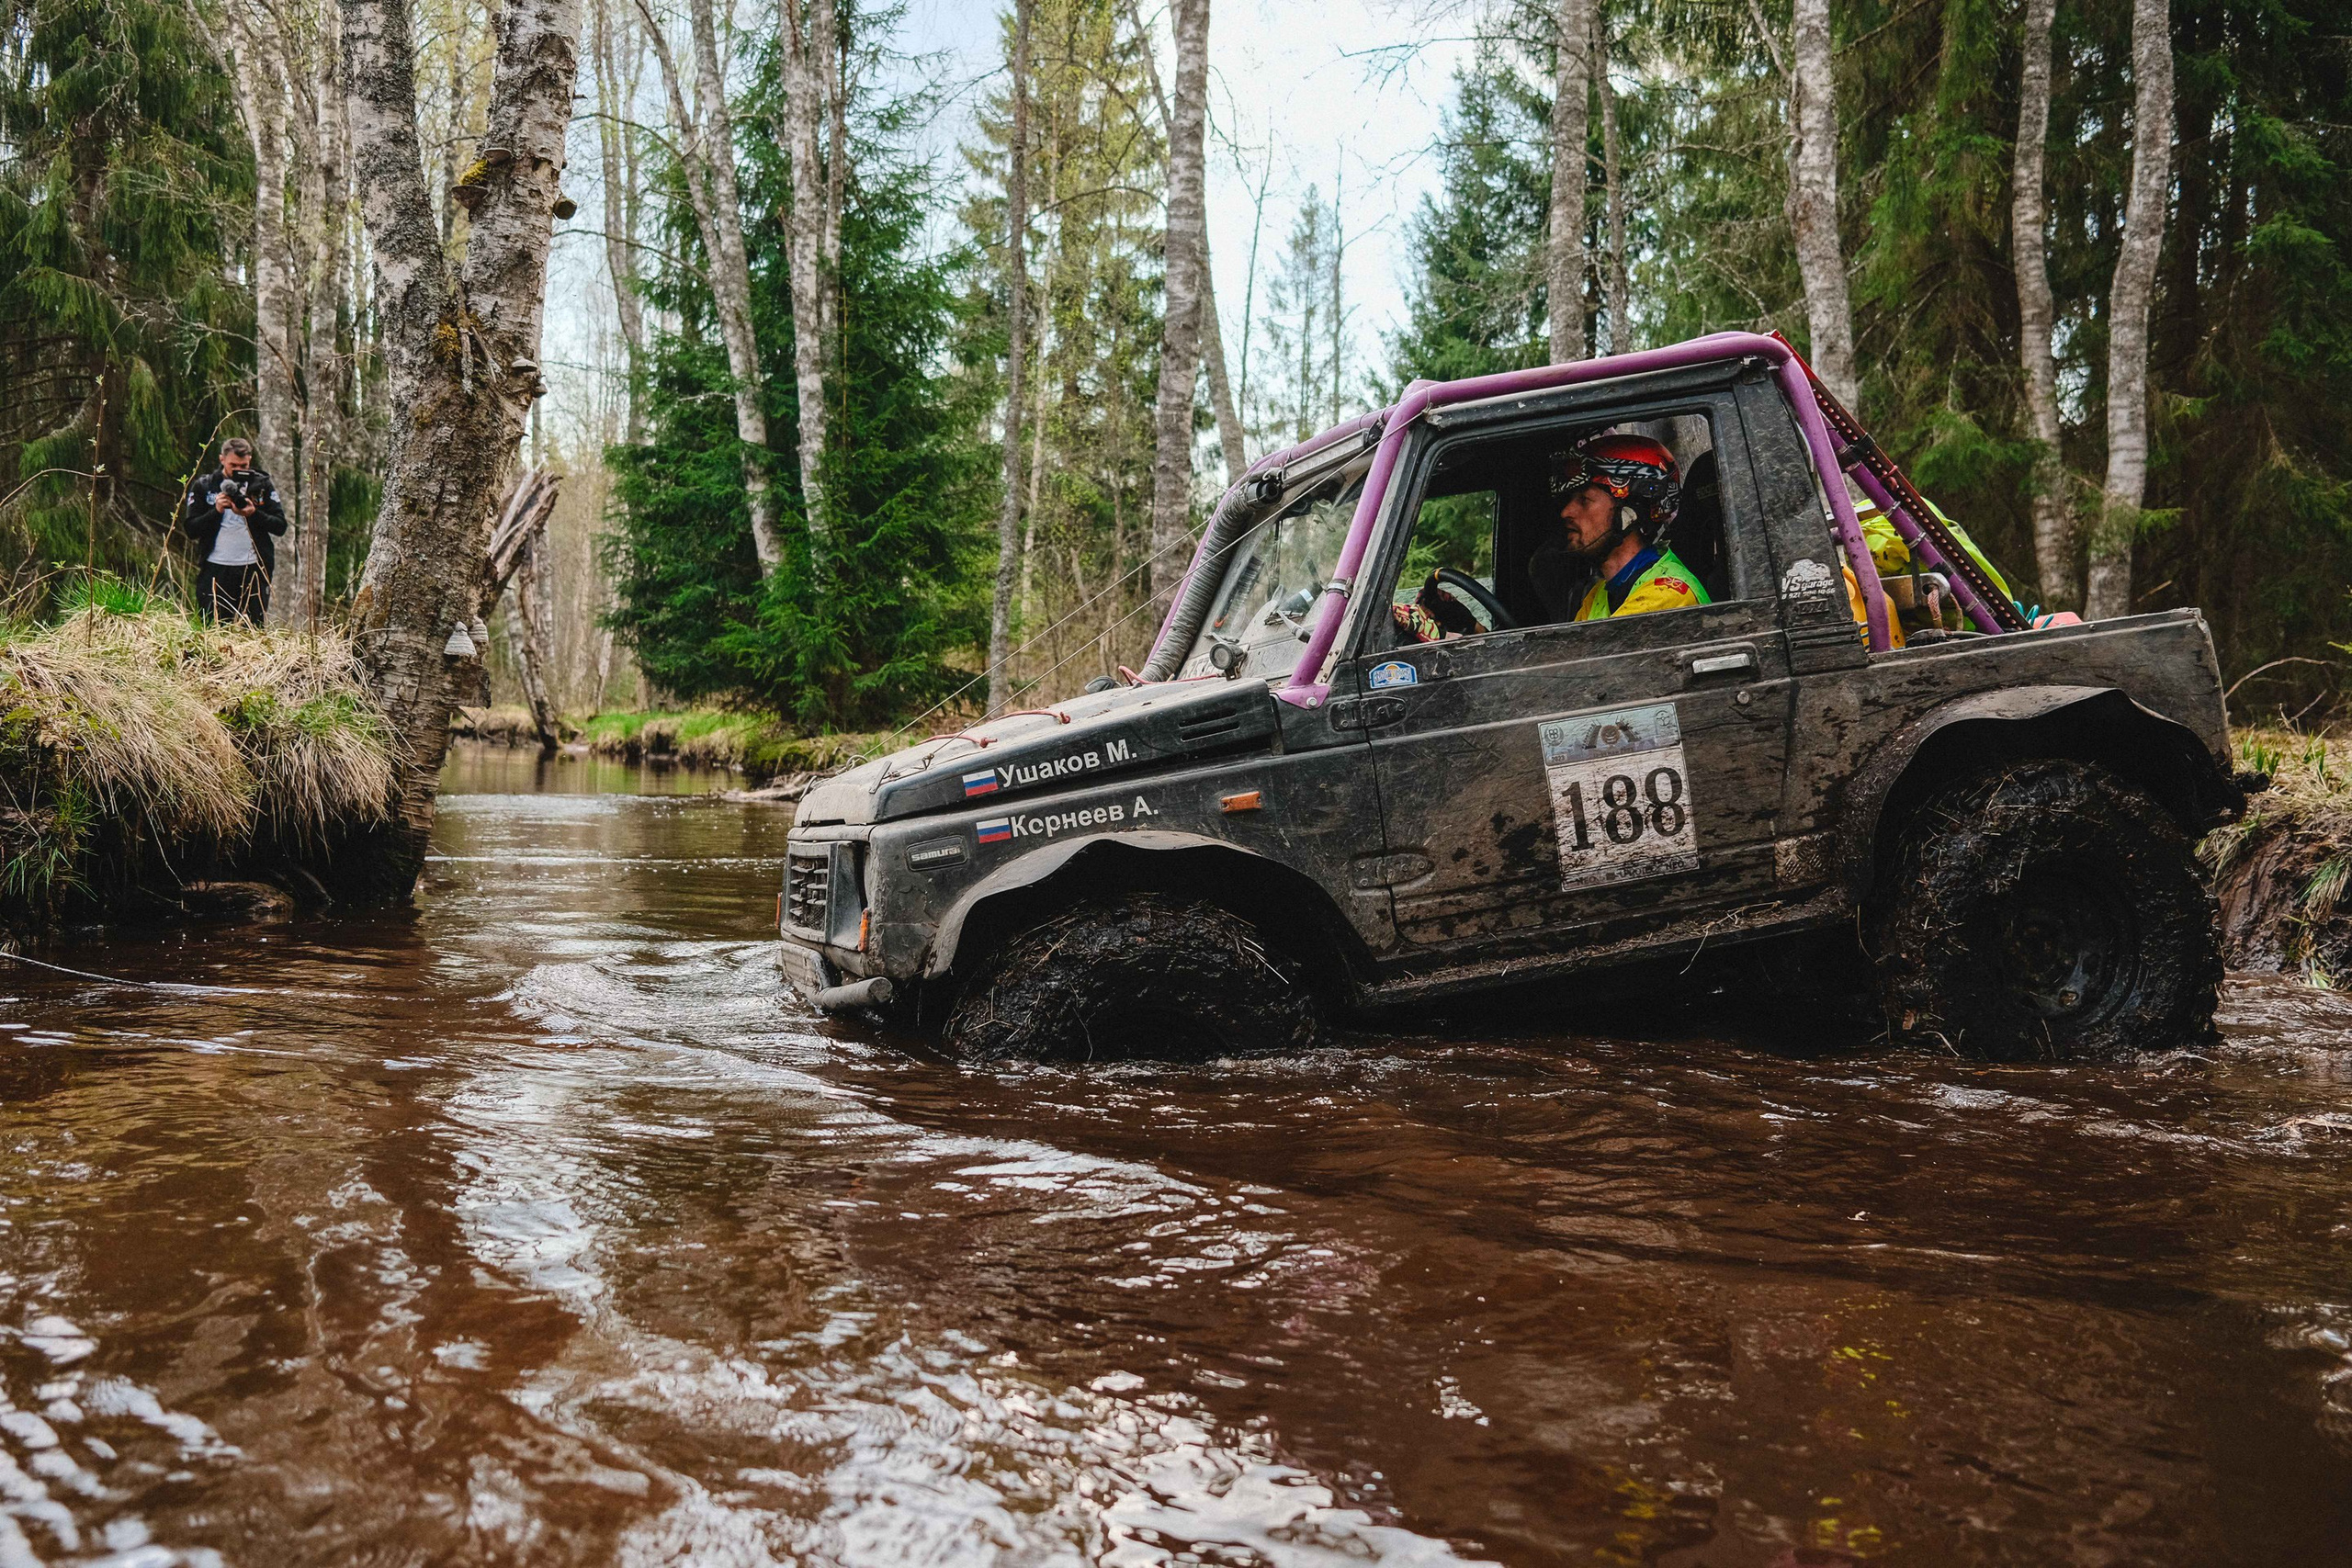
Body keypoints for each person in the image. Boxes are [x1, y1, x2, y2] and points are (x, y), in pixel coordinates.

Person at [1551, 434, 1710, 621]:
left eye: (1584, 500)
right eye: (1571, 499)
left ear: (1630, 512)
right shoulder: (1598, 595)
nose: (1566, 512)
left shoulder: (1667, 594)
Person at [183, 438, 287, 625]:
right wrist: (216, 511)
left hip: (253, 568)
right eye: (233, 465)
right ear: (222, 459)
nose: (238, 470)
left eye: (243, 466)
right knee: (213, 627)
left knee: (253, 627)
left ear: (250, 460)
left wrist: (253, 513)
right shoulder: (205, 486)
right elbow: (191, 529)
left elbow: (280, 526)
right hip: (215, 567)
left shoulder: (261, 485)